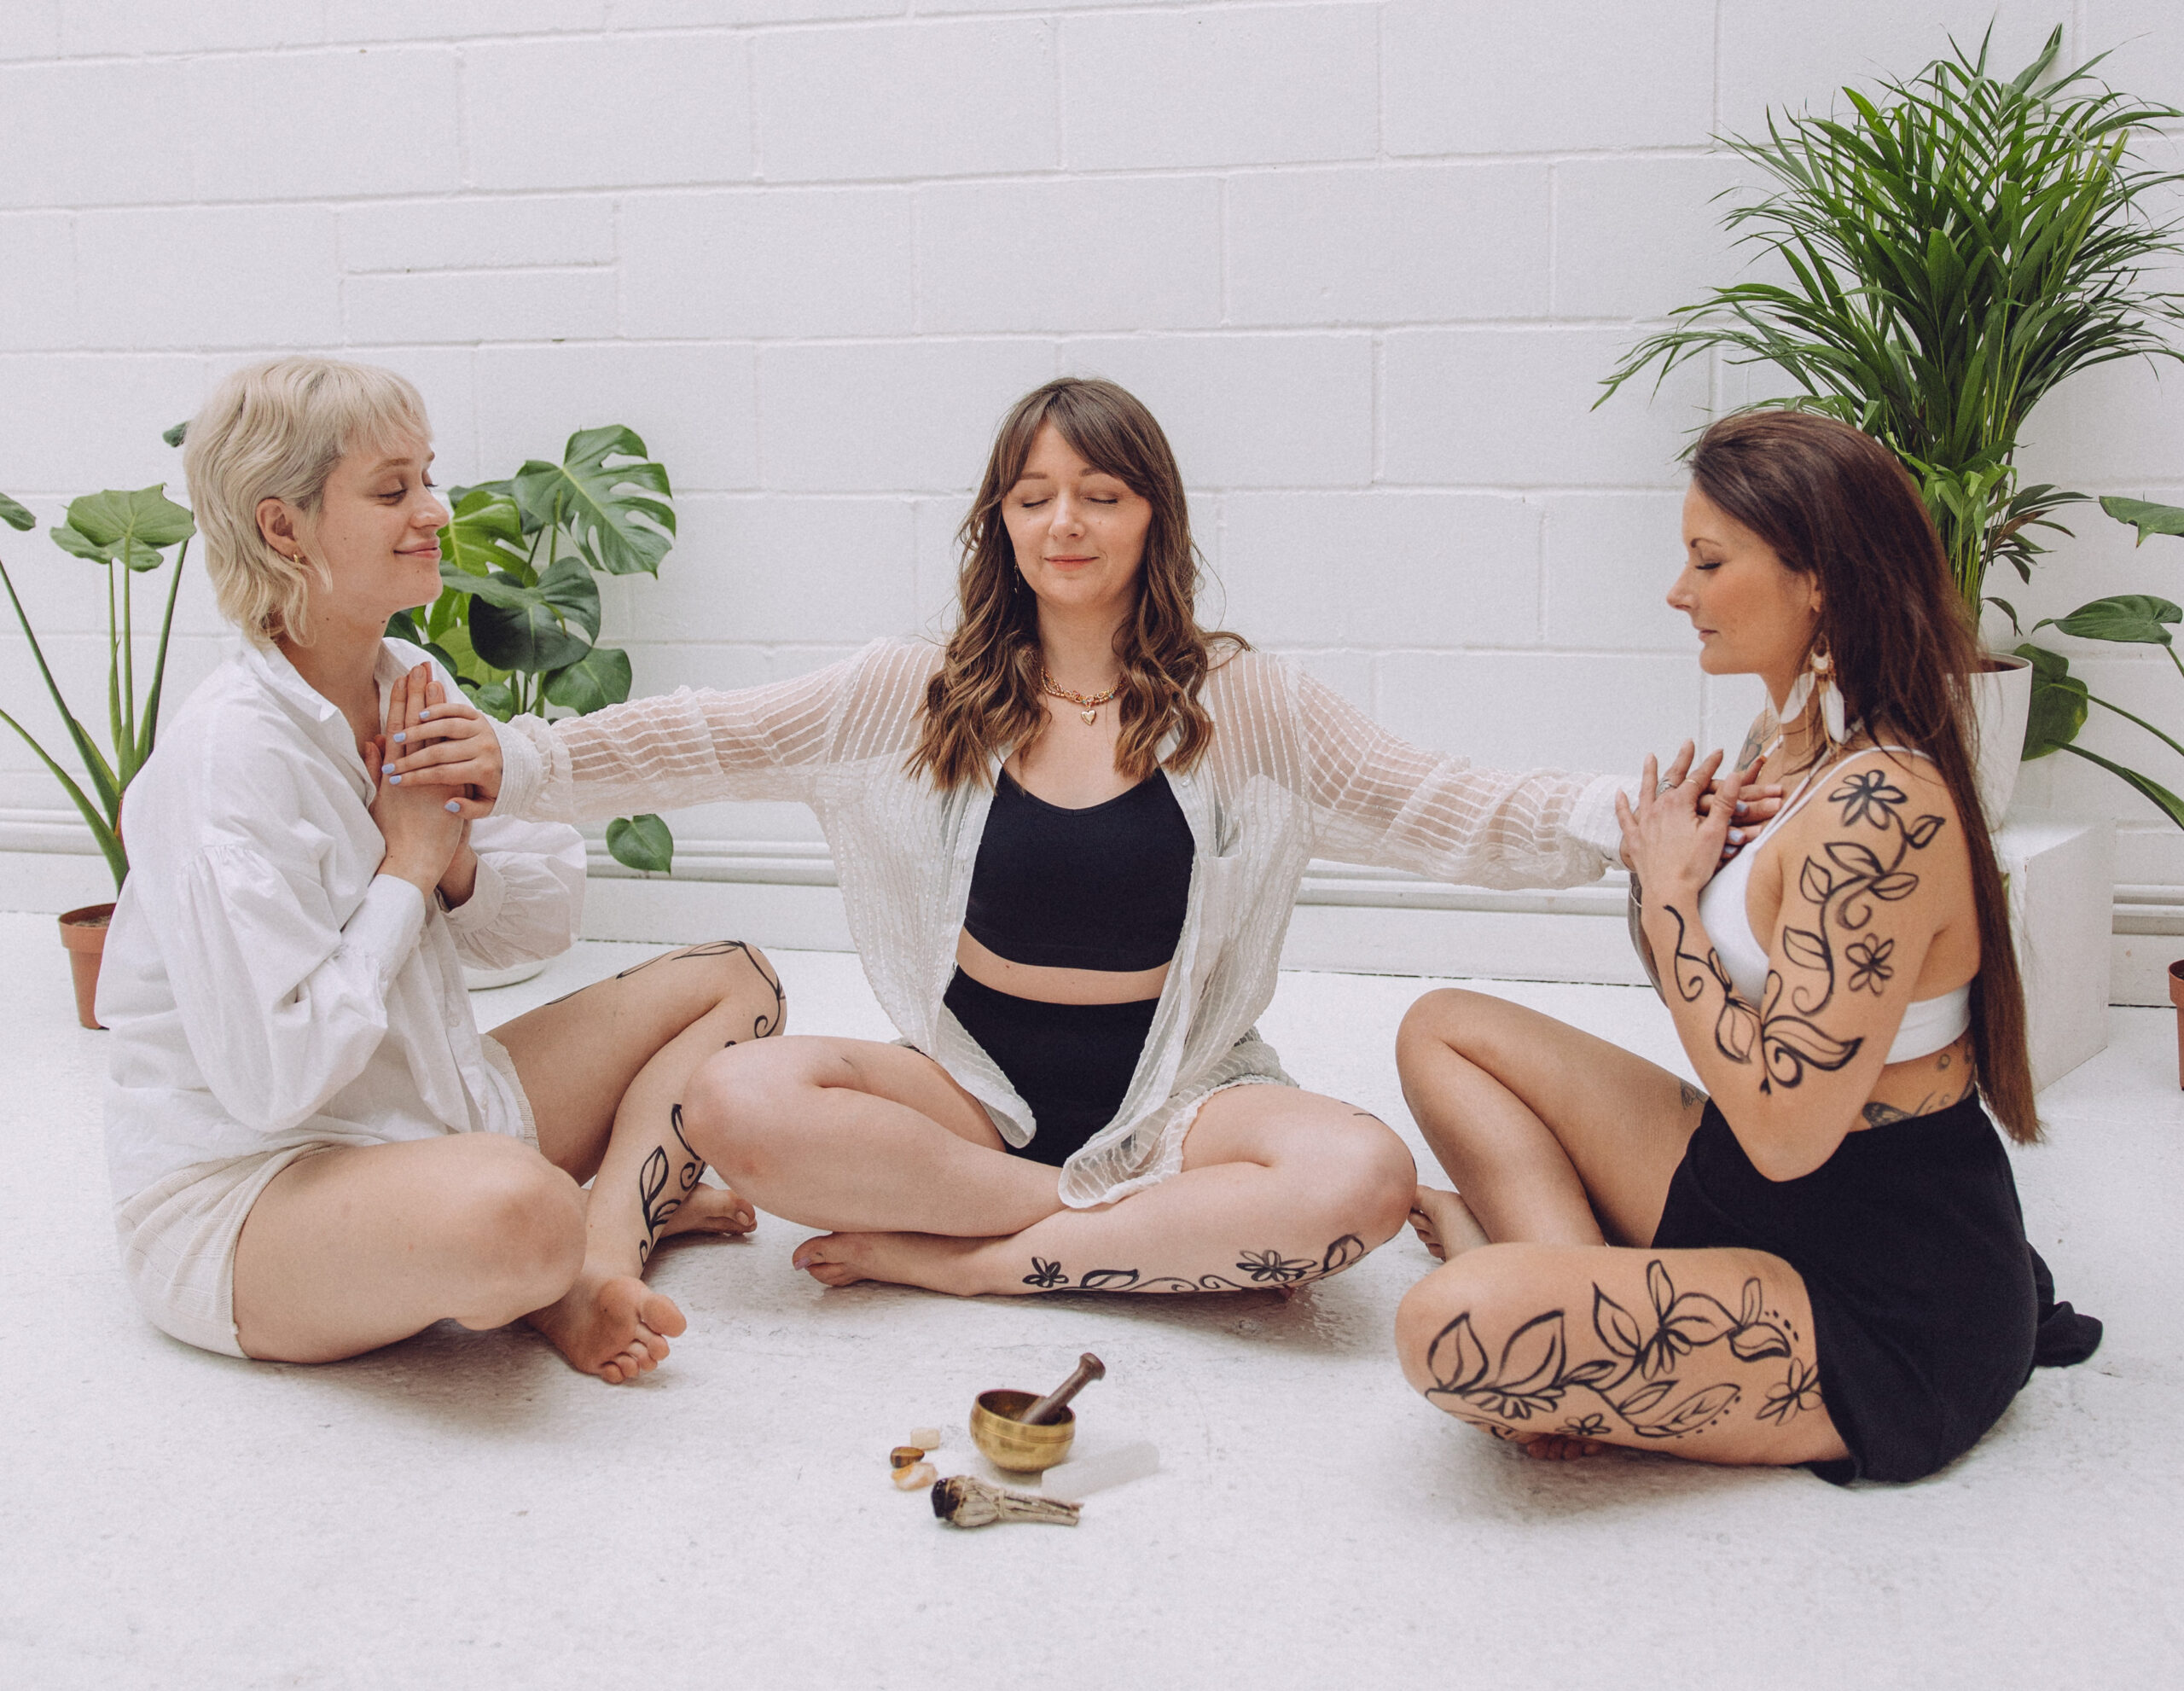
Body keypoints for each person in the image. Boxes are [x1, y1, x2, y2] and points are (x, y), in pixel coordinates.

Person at [389, 377, 1772, 1299]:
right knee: (736, 1099)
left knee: (1352, 1177)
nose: (1068, 521)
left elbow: (1448, 804)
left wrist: (1624, 820)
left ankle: (975, 1260)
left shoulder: (1251, 706)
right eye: (1037, 494)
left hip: (1181, 1099)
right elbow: (707, 737)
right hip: (969, 1090)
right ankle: (1079, 1216)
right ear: (999, 517)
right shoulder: (907, 689)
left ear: (1152, 517)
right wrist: (518, 760)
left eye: (1102, 494)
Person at [1393, 410, 2099, 1483]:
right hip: (1748, 1175)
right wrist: (1672, 864)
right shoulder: (1793, 740)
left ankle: (1545, 1287)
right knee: (1441, 1027)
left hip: (1878, 1281)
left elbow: (1784, 1135)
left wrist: (1676, 900)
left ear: (1817, 579)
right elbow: (1723, 1008)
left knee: (1447, 1328)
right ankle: (1579, 1287)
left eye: (1708, 560)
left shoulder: (1878, 805)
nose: (1679, 592)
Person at [101, 357, 785, 1382]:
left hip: (435, 1110)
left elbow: (537, 922)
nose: (434, 509)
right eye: (391, 489)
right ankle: (560, 1238)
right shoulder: (224, 762)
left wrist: (457, 862)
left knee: (738, 976)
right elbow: (275, 1079)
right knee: (517, 1207)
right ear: (282, 526)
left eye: (428, 475)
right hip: (254, 1194)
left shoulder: (406, 684)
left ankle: (592, 1252)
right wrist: (407, 868)